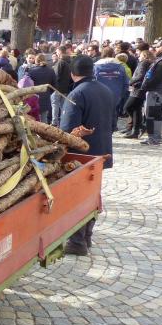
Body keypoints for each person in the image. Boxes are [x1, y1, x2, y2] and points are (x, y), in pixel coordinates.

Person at [60, 56, 114, 256]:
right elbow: (114, 124)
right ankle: (86, 237)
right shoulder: (106, 90)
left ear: (73, 74)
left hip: (81, 155)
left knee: (77, 197)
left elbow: (67, 130)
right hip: (101, 151)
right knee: (92, 194)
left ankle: (76, 242)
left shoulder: (77, 93)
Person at [93, 47, 129, 129]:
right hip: (116, 94)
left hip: (99, 94)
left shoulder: (96, 67)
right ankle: (113, 126)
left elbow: (92, 80)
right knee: (113, 110)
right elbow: (126, 83)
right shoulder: (121, 67)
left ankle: (100, 127)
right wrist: (121, 95)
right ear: (113, 54)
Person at [141, 40, 162, 145]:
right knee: (156, 115)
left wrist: (146, 87)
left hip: (157, 92)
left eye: (158, 47)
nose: (156, 49)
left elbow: (156, 77)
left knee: (152, 116)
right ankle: (155, 137)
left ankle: (154, 138)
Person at [123, 49, 153, 139]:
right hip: (141, 88)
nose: (138, 56)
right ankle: (135, 131)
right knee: (136, 109)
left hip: (138, 89)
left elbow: (140, 75)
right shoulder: (149, 63)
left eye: (139, 55)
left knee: (127, 107)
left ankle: (140, 126)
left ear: (144, 56)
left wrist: (130, 82)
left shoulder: (143, 63)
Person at [26, 54, 56, 124]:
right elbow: (54, 86)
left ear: (36, 61)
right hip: (45, 97)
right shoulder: (51, 70)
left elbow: (27, 84)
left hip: (34, 98)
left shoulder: (31, 71)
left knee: (34, 120)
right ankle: (44, 134)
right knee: (44, 120)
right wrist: (48, 92)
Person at [52, 46, 73, 126]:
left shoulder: (60, 62)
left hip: (57, 88)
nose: (56, 53)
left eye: (57, 51)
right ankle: (63, 122)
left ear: (60, 52)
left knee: (55, 105)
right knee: (63, 106)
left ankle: (54, 123)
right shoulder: (70, 61)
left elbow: (56, 75)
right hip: (66, 88)